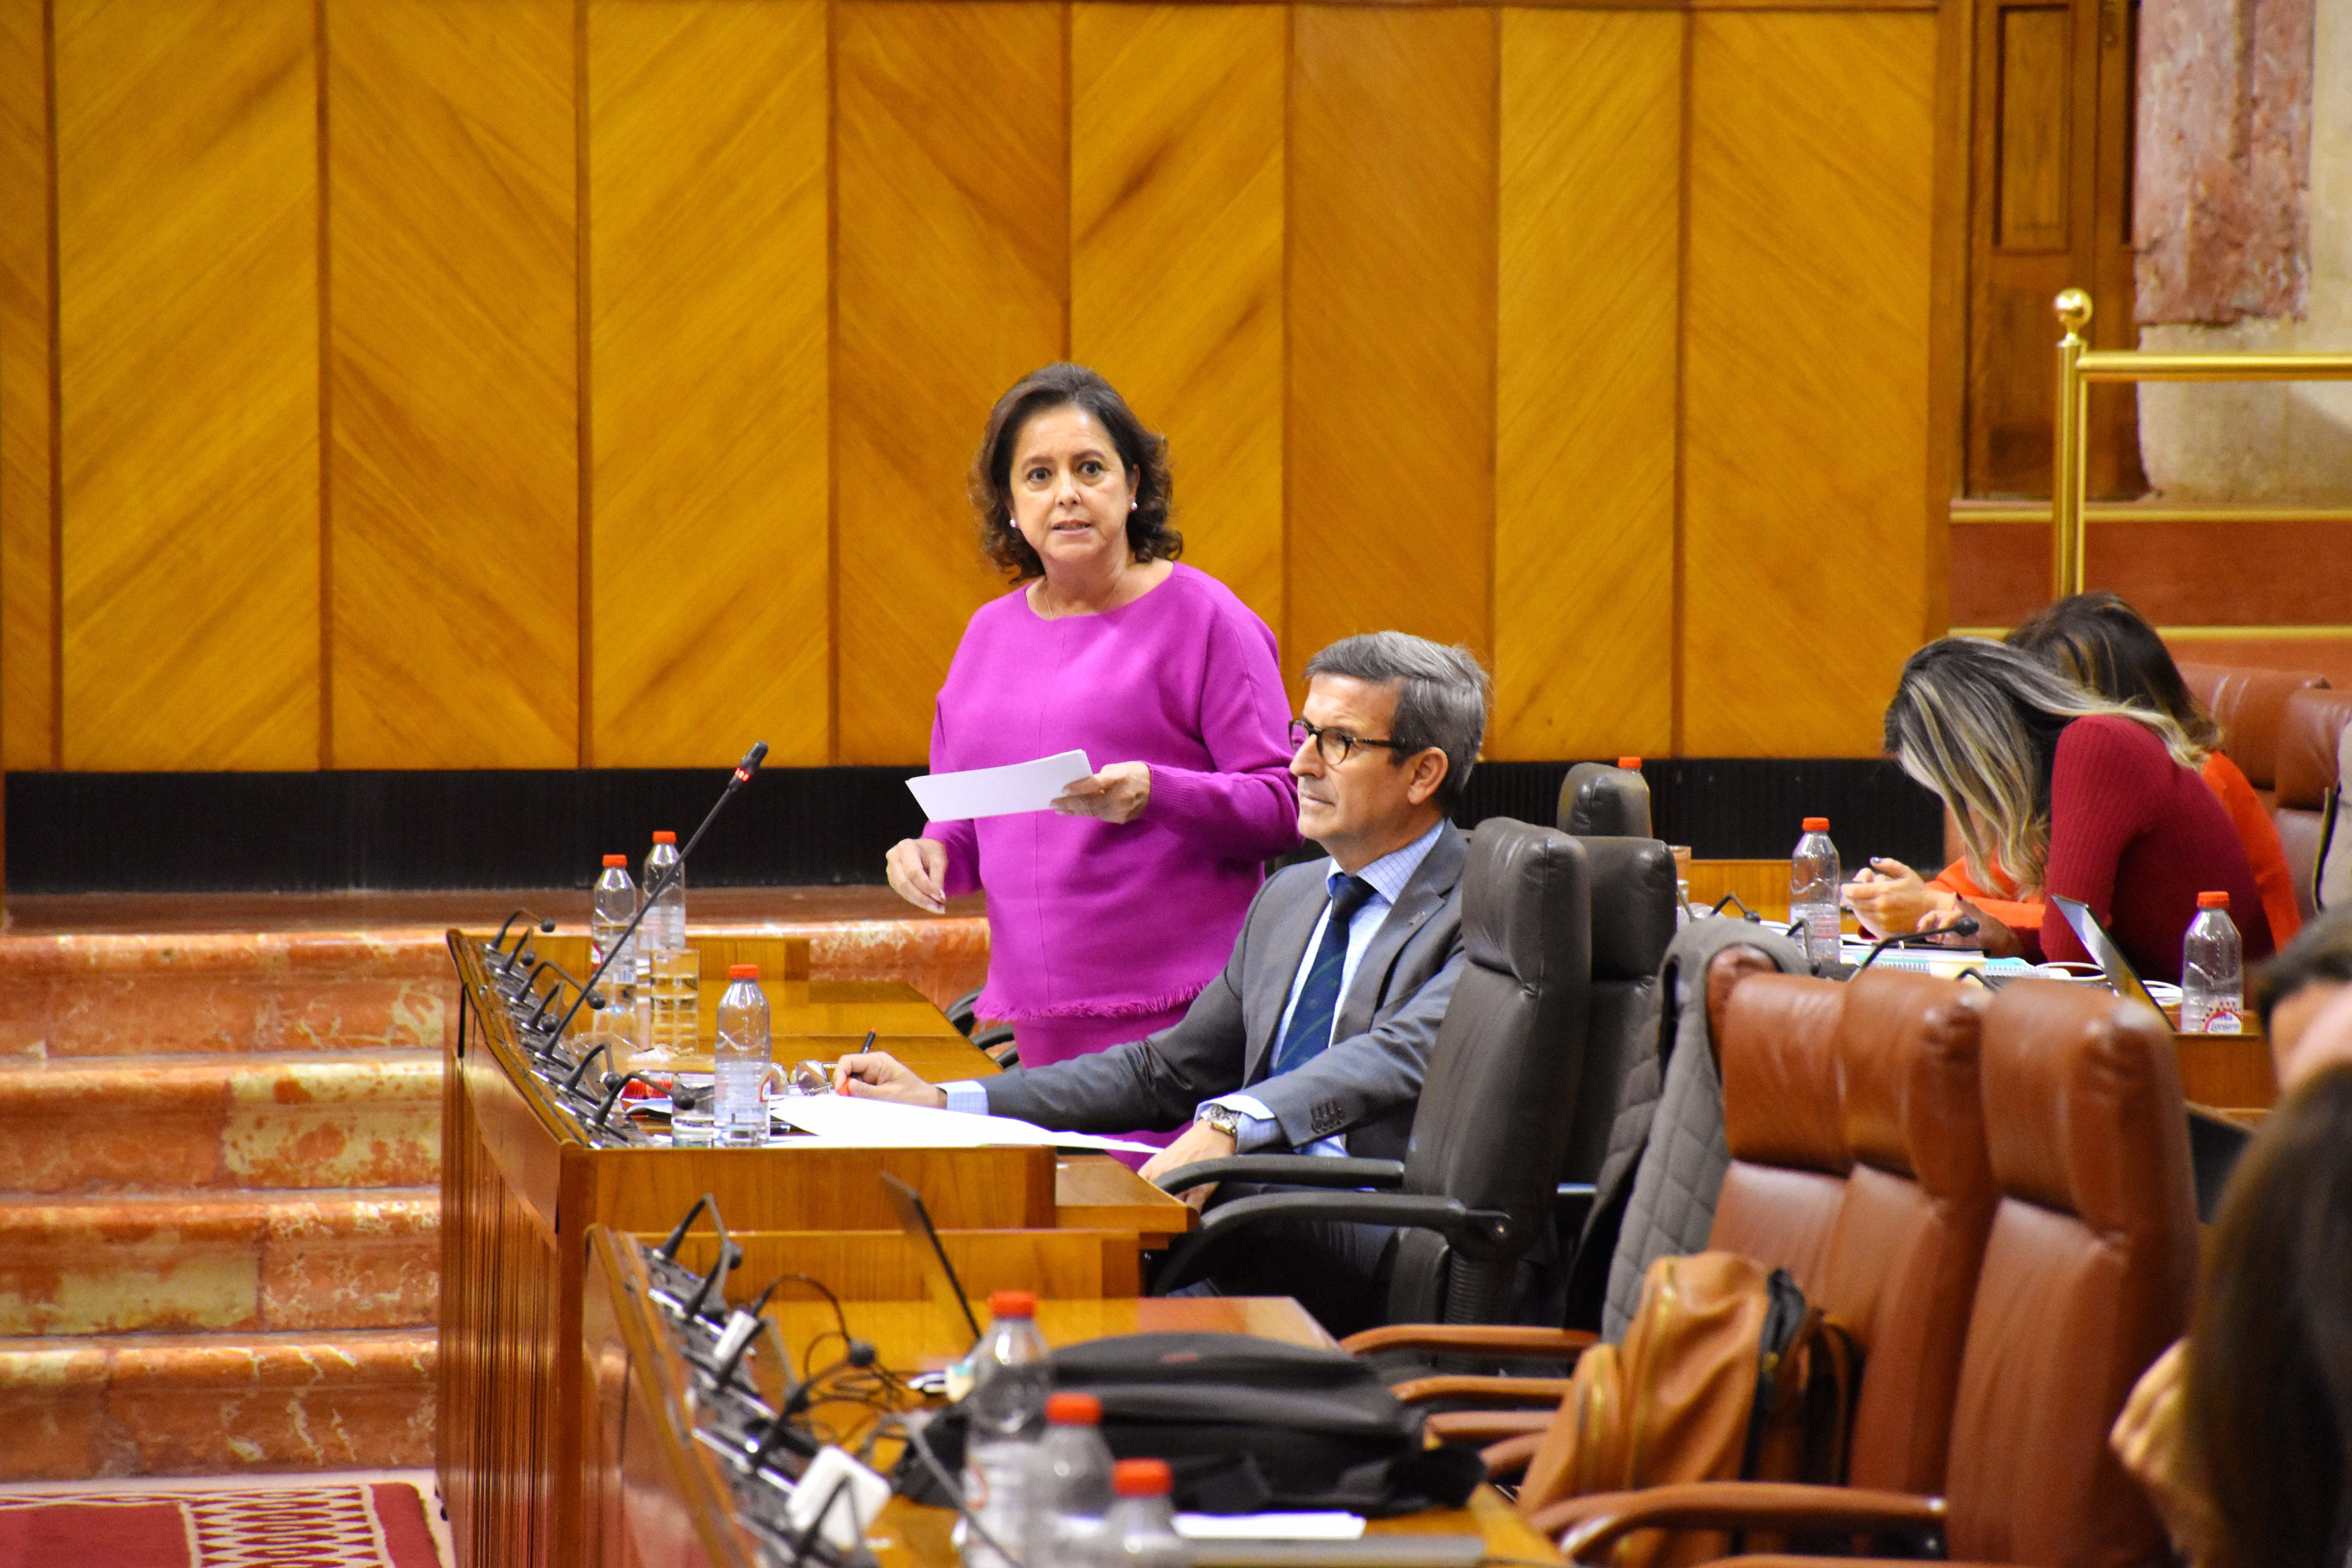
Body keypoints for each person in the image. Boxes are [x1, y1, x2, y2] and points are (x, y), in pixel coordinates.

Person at [842, 632, 1488, 1334]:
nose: (1299, 763)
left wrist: (1230, 1124)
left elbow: (1397, 1055)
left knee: (1086, 1289)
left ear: (1424, 774)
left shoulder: (1489, 905)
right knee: (1018, 1261)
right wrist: (949, 1102)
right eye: (1304, 733)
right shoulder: (1293, 899)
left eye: (1340, 743)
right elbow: (1164, 1071)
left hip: (1381, 1235)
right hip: (1260, 1226)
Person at [883, 365, 1300, 1142]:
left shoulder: (1208, 618)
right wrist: (931, 851)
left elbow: (1286, 806)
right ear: (1010, 507)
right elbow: (970, 816)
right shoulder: (986, 637)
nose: (1066, 493)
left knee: (1148, 1245)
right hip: (1042, 1020)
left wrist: (1159, 791)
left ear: (1133, 484)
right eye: (1038, 476)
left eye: (1090, 468)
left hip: (1186, 1025)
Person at [1849, 592, 2303, 947]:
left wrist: (1953, 910)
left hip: (2234, 1024)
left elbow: (2070, 941)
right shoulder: (2075, 776)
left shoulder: (2118, 755)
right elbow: (1979, 886)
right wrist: (1900, 906)